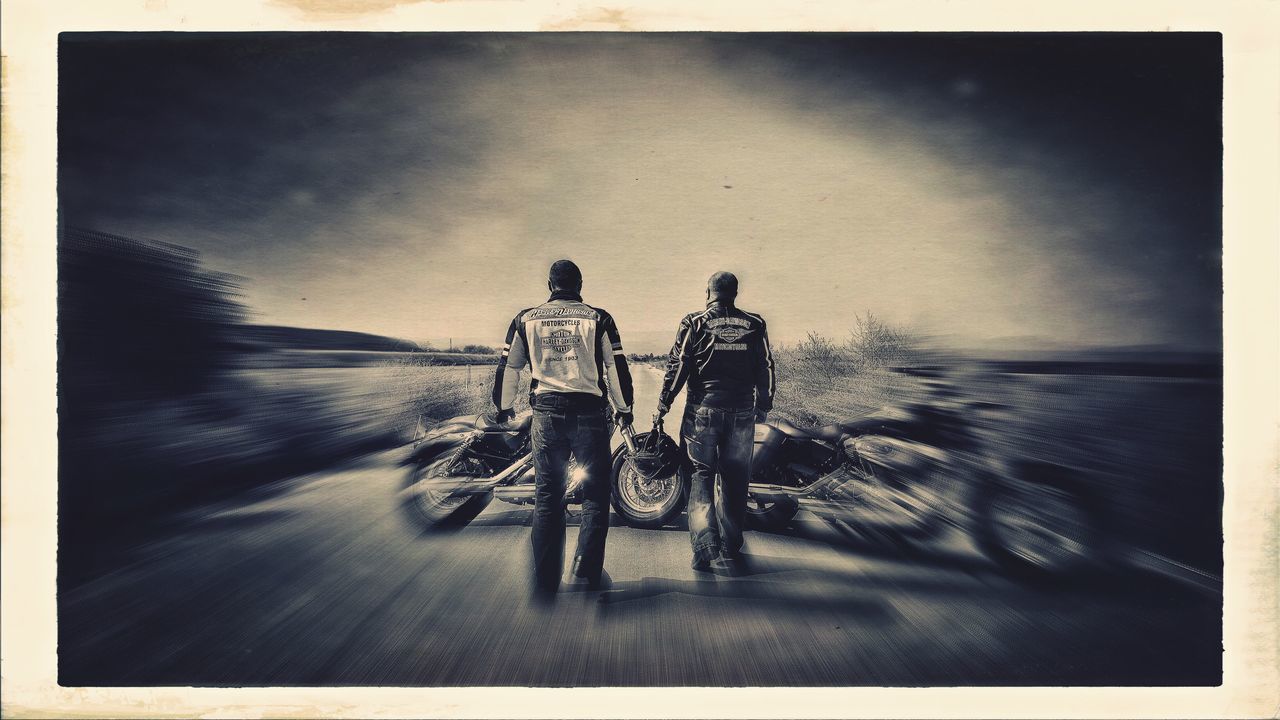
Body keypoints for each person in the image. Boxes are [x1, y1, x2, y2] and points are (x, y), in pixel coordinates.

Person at [491, 259, 634, 597]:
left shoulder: (525, 318)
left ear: (549, 285)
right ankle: (586, 570)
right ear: (580, 285)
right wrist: (625, 409)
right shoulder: (599, 318)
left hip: (547, 416)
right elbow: (616, 368)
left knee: (547, 498)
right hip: (590, 416)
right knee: (596, 497)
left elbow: (508, 368)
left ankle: (544, 582)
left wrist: (504, 407)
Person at [654, 271, 775, 576]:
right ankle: (731, 546)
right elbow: (766, 366)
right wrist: (764, 405)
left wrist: (663, 404)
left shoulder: (694, 322)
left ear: (708, 291)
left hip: (702, 412)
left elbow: (678, 365)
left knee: (700, 475)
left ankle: (703, 548)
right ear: (735, 292)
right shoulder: (756, 323)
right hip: (742, 412)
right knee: (735, 479)